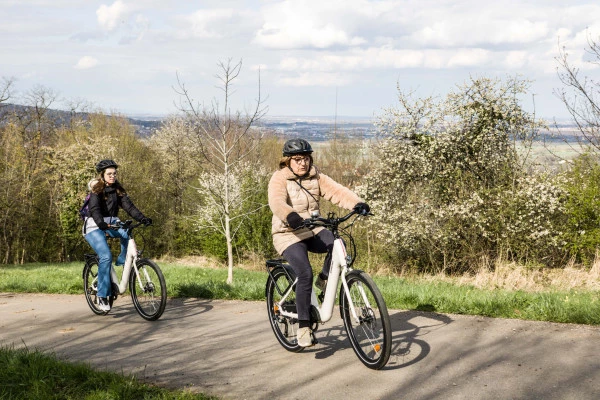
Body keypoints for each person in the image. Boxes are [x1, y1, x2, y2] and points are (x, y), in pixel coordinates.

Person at [268, 138, 370, 347]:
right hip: (287, 233)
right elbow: (276, 202)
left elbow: (337, 191)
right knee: (304, 272)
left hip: (312, 228)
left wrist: (358, 203)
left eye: (306, 158)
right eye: (297, 159)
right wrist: (290, 215)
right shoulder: (279, 178)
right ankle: (304, 327)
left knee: (338, 244)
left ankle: (324, 278)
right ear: (287, 161)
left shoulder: (317, 176)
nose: (303, 163)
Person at [82, 159, 152, 311]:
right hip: (94, 226)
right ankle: (101, 295)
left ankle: (122, 259)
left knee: (127, 232)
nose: (112, 176)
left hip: (112, 223)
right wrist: (101, 223)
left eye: (114, 173)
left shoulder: (118, 190)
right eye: (109, 174)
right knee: (106, 256)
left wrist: (142, 218)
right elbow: (94, 209)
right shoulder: (96, 190)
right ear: (102, 175)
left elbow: (129, 207)